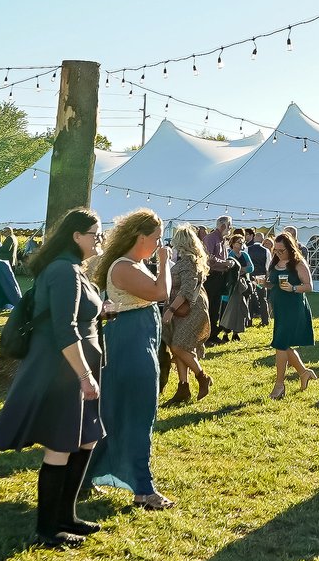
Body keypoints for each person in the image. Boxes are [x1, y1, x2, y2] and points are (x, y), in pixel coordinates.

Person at [0, 208, 108, 549]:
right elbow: (63, 329)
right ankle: (46, 529)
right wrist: (84, 374)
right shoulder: (63, 271)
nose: (100, 238)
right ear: (76, 236)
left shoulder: (76, 270)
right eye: (95, 232)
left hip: (76, 367)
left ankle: (66, 516)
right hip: (61, 371)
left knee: (85, 439)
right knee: (60, 445)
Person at [91, 210, 176, 509]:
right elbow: (159, 292)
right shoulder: (123, 267)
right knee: (138, 413)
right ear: (140, 237)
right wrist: (165, 263)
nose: (159, 244)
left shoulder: (135, 264)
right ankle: (143, 488)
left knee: (114, 412)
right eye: (156, 239)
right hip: (130, 346)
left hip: (140, 342)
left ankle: (87, 475)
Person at [160, 224, 213, 406]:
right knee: (180, 347)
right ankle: (183, 387)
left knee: (178, 346)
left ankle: (202, 377)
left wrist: (170, 310)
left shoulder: (189, 262)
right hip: (183, 308)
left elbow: (186, 291)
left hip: (189, 309)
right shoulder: (188, 260)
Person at [267, 227, 318, 397]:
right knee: (284, 344)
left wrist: (293, 287)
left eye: (282, 250)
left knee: (280, 344)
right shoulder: (275, 262)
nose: (278, 253)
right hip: (279, 309)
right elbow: (272, 283)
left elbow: (309, 286)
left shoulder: (298, 263)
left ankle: (279, 385)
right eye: (276, 250)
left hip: (294, 308)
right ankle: (304, 373)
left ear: (290, 248)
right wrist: (263, 283)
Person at [204, 215, 236, 342]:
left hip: (220, 276)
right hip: (212, 276)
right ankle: (208, 335)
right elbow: (209, 258)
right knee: (211, 306)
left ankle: (212, 334)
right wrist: (225, 263)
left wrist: (227, 263)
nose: (231, 228)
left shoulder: (222, 239)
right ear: (223, 226)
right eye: (229, 226)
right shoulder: (211, 238)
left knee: (216, 306)